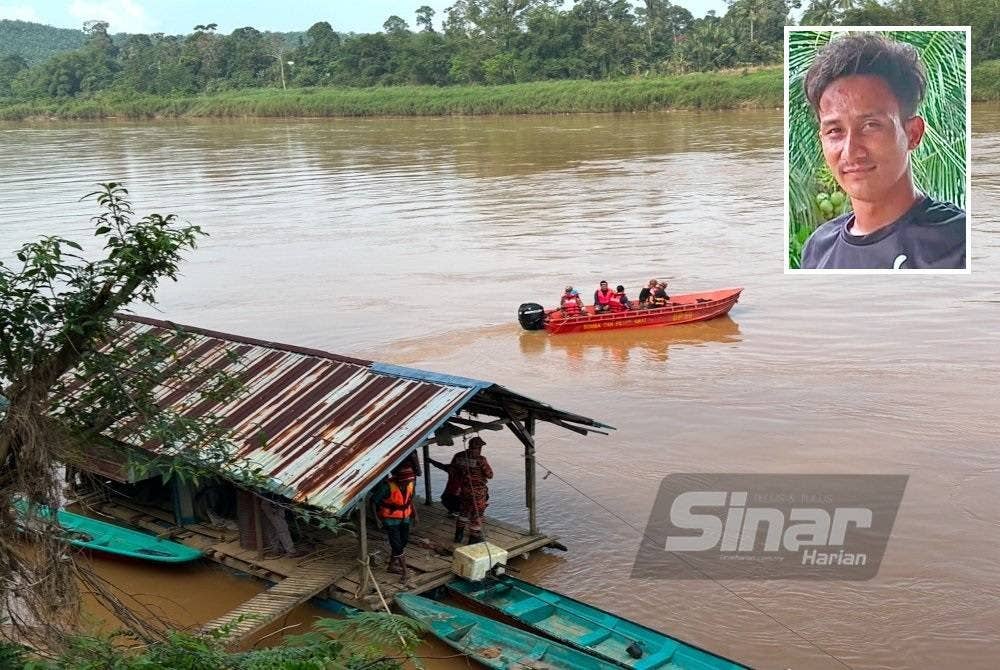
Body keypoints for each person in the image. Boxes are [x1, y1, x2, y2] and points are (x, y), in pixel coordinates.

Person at [800, 33, 966, 269]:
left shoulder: (960, 243)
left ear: (913, 134)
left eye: (870, 126)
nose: (850, 151)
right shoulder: (817, 250)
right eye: (835, 130)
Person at [372, 457, 418, 582]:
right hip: (390, 520)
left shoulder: (410, 484)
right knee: (397, 544)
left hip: (405, 518)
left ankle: (391, 566)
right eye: (403, 482)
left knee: (403, 542)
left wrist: (415, 514)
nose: (405, 484)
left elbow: (409, 500)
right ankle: (405, 571)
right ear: (398, 479)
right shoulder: (387, 487)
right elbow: (373, 501)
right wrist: (377, 519)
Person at [450, 436, 493, 545]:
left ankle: (458, 537)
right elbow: (490, 475)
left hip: (464, 490)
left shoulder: (458, 456)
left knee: (463, 512)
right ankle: (472, 541)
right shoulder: (480, 459)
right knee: (477, 515)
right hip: (478, 492)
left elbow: (451, 470)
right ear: (479, 447)